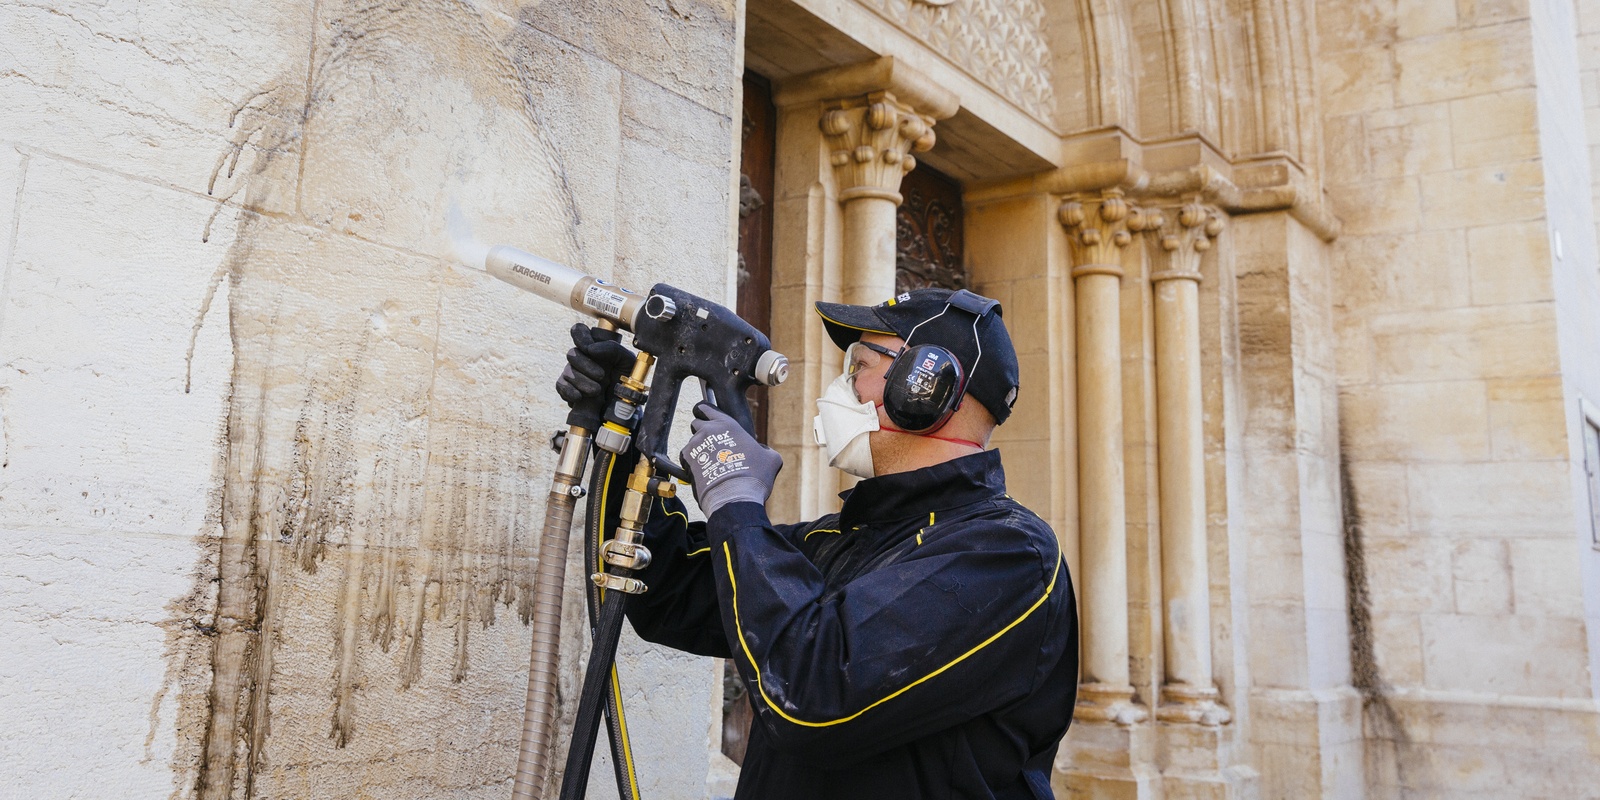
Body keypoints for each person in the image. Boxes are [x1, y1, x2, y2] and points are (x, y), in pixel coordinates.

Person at [557, 287, 1078, 800]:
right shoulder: (846, 537)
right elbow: (668, 591)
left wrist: (737, 500)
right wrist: (620, 428)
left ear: (925, 385)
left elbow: (812, 696)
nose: (842, 385)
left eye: (860, 366)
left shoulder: (1007, 556)